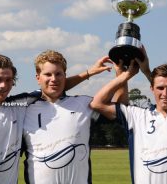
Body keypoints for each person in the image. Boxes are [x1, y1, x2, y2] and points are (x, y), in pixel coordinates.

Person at [0, 53, 111, 184]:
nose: (3, 85)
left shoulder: (19, 105)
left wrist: (90, 72)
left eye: (8, 80)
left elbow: (54, 86)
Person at [90, 56, 167, 183]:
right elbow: (97, 103)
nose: (165, 94)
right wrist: (125, 75)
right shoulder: (137, 116)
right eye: (160, 88)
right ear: (152, 89)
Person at [22, 50, 112, 184]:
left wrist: (122, 74)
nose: (53, 79)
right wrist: (89, 72)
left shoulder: (83, 104)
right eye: (47, 74)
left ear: (65, 76)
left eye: (59, 74)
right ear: (37, 77)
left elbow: (121, 109)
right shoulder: (23, 107)